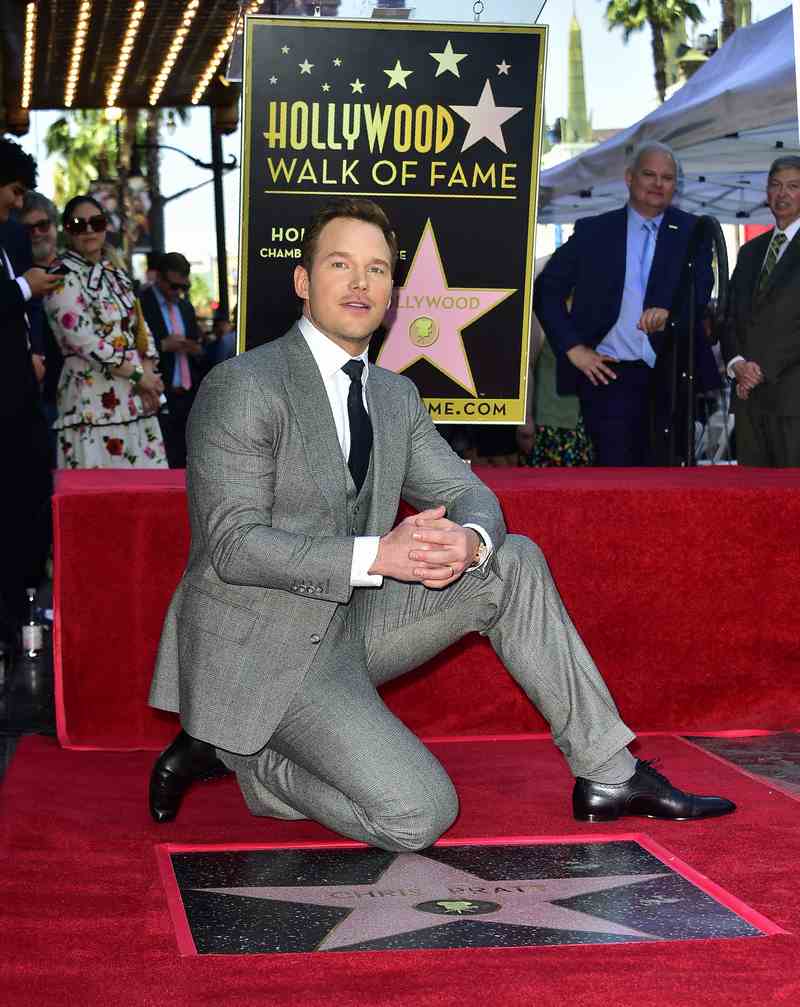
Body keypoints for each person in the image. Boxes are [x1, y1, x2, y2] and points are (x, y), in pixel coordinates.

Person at [147, 197, 734, 846]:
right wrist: (380, 555)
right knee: (419, 814)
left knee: (513, 561)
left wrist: (470, 538)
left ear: (393, 292)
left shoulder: (395, 396)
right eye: (340, 263)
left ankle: (608, 772)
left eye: (376, 269)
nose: (360, 282)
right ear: (303, 281)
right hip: (267, 644)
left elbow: (470, 493)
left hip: (354, 623)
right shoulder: (244, 385)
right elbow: (233, 547)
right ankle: (247, 756)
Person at [533, 141, 718, 466]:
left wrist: (671, 315)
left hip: (673, 374)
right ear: (629, 177)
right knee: (616, 482)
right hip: (608, 377)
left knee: (670, 483)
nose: (658, 184)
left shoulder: (694, 231)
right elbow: (545, 289)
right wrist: (573, 349)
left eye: (668, 177)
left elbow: (701, 291)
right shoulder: (594, 231)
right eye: (649, 174)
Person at [44, 195, 167, 469]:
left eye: (96, 222)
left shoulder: (117, 273)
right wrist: (138, 374)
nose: (89, 230)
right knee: (98, 499)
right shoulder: (59, 274)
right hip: (89, 403)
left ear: (105, 227)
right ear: (67, 230)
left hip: (134, 398)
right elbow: (82, 340)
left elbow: (141, 326)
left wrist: (147, 370)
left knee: (147, 496)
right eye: (79, 224)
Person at [0, 139, 62, 646]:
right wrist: (24, 289)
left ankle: (17, 610)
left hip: (19, 405)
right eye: (15, 191)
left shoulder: (5, 241)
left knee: (28, 507)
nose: (18, 204)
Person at [721, 156, 800, 466]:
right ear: (766, 194)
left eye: (793, 186)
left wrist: (761, 368)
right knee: (751, 506)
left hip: (792, 402)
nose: (783, 194)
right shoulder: (750, 251)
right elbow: (729, 317)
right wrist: (737, 364)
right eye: (776, 186)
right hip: (747, 402)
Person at [139, 252, 205, 468]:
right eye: (173, 286)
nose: (178, 292)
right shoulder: (142, 303)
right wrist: (163, 346)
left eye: (183, 287)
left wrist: (195, 348)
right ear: (158, 278)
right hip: (159, 393)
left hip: (188, 396)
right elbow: (134, 346)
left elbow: (198, 346)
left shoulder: (186, 307)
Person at [20, 192, 64, 462]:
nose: (37, 233)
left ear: (55, 226)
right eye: (28, 228)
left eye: (43, 225)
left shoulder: (74, 270)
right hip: (34, 402)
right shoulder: (17, 279)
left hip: (77, 400)